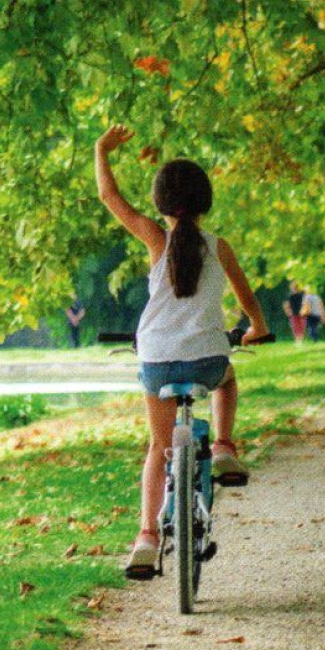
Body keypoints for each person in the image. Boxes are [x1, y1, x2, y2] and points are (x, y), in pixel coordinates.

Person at [94, 125, 271, 580]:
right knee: (227, 378)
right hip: (208, 359)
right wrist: (257, 327)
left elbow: (110, 197)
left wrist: (101, 150)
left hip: (155, 362)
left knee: (158, 446)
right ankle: (225, 445)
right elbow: (246, 298)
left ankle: (146, 538)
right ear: (205, 201)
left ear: (160, 203)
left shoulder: (156, 239)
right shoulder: (219, 246)